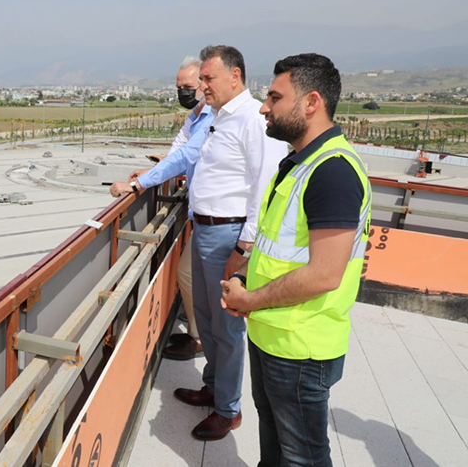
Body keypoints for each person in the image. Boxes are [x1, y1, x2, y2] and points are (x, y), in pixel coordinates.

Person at [220, 53, 371, 466]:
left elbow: (324, 274)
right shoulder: (297, 164)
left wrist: (250, 300)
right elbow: (274, 245)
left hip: (301, 348)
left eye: (274, 97)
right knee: (275, 444)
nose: (264, 108)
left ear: (311, 102)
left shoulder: (332, 172)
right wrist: (244, 278)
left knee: (302, 455)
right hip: (271, 335)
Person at [173, 45, 288, 441]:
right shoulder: (220, 117)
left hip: (229, 234)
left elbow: (264, 185)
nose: (202, 86)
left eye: (208, 78)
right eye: (202, 79)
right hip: (205, 229)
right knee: (206, 318)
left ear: (235, 76)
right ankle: (213, 387)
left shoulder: (252, 119)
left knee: (226, 326)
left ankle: (228, 409)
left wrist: (243, 247)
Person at [110, 55, 213, 360]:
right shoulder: (195, 116)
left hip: (218, 216)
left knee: (191, 275)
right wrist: (153, 171)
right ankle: (201, 328)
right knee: (195, 275)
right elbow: (177, 151)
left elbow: (186, 156)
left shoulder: (211, 117)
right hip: (204, 211)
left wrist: (137, 185)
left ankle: (200, 337)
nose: (183, 92)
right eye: (179, 87)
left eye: (188, 86)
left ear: (204, 84)